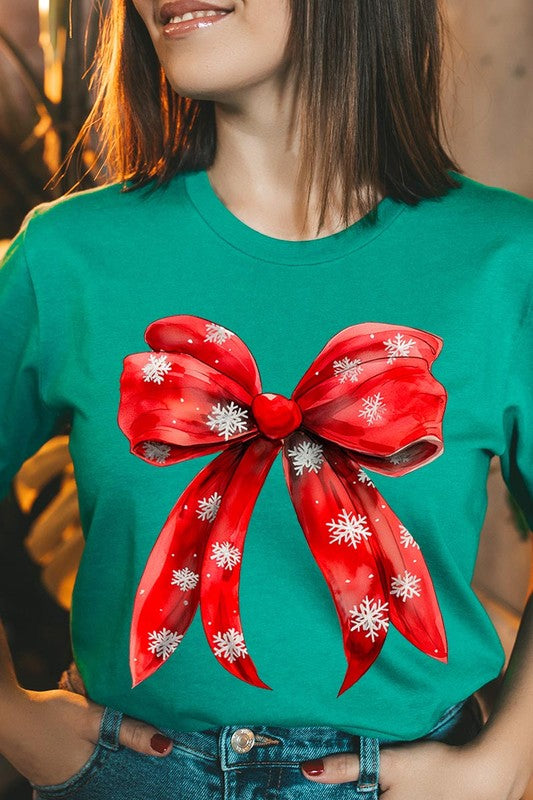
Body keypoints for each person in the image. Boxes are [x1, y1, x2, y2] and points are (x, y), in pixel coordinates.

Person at [0, 0, 532, 798]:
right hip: (125, 774)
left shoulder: (502, 259)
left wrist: (503, 763)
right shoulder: (65, 255)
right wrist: (9, 718)